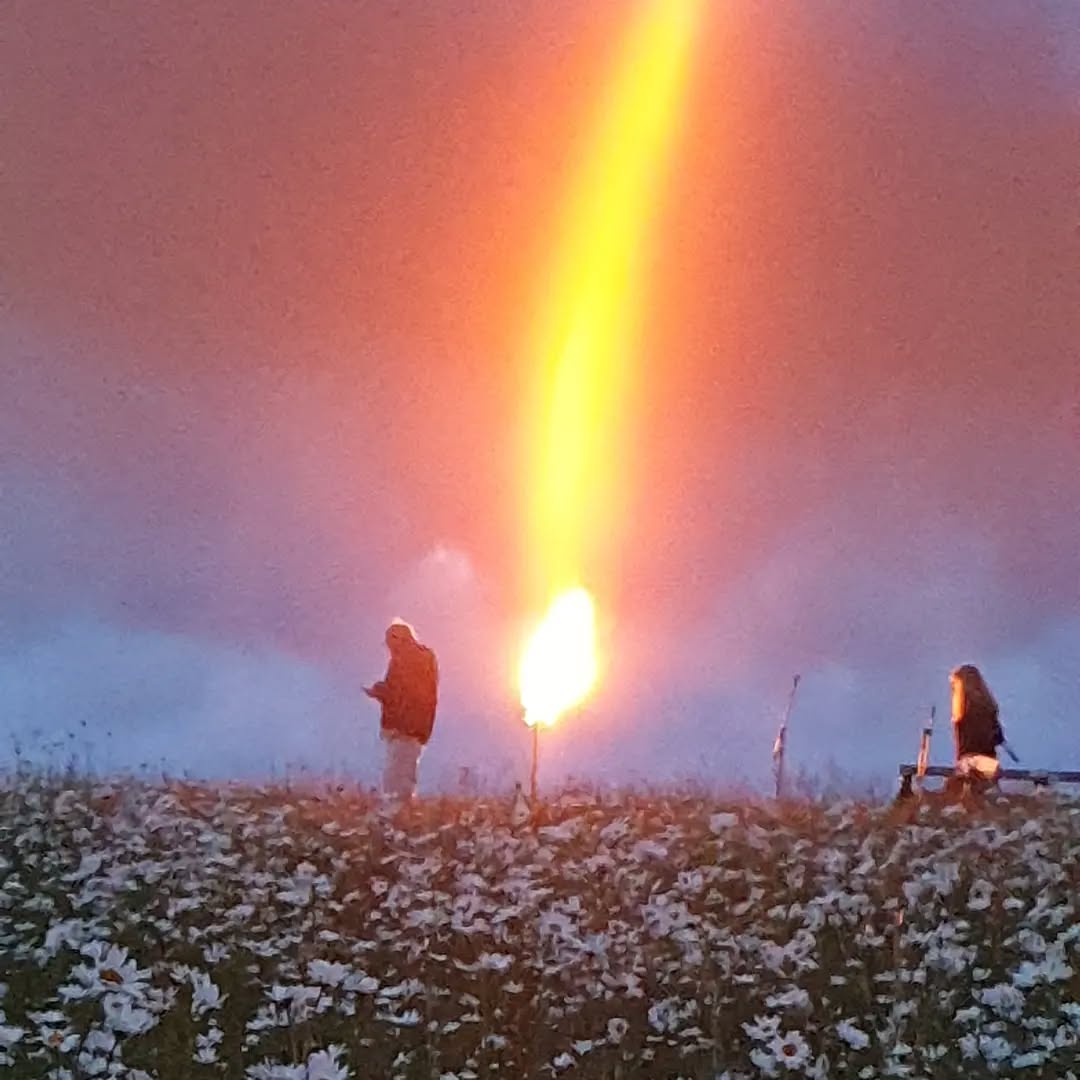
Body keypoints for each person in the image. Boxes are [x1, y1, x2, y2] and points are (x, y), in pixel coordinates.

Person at [364, 620, 438, 801]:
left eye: (390, 643)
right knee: (405, 773)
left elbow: (400, 693)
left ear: (397, 640)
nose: (389, 648)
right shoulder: (425, 658)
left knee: (396, 777)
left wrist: (378, 691)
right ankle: (401, 815)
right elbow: (415, 693)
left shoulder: (404, 660)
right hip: (417, 727)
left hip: (402, 727)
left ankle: (397, 817)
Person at [950, 664, 1006, 788]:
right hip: (989, 762)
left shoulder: (964, 709)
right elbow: (998, 738)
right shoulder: (989, 707)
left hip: (970, 762)